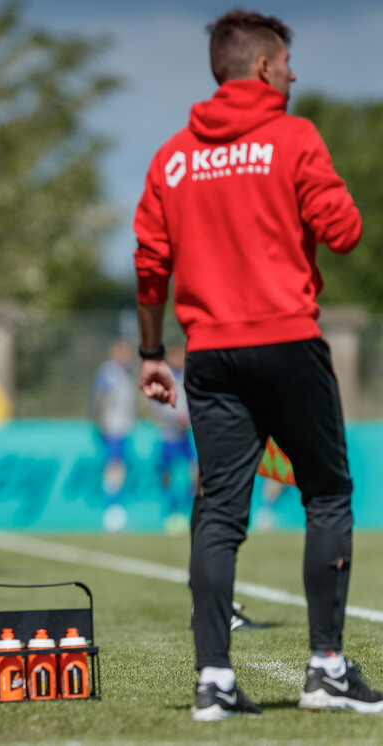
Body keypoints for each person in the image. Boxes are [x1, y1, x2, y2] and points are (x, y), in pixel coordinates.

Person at [133, 10, 383, 720]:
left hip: (208, 353)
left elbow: (150, 265)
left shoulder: (172, 157)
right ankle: (326, 670)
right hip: (288, 339)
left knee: (217, 513)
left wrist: (153, 353)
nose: (294, 74)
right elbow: (346, 230)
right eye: (287, 63)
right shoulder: (294, 137)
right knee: (328, 495)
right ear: (266, 67)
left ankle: (212, 680)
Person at [89, 339, 137, 533]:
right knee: (113, 466)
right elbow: (100, 399)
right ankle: (112, 508)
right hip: (112, 428)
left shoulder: (127, 373)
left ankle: (115, 505)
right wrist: (101, 424)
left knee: (119, 467)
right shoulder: (108, 372)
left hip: (124, 428)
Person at [151, 347, 197, 535]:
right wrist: (175, 418)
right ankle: (170, 511)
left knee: (195, 472)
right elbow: (156, 406)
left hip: (186, 436)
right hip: (169, 435)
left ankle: (187, 510)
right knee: (168, 475)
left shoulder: (189, 375)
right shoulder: (163, 378)